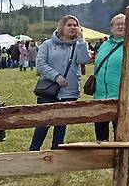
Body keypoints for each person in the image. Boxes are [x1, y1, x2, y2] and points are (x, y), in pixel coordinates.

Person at [30, 14, 93, 151]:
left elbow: (84, 60)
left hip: (69, 90)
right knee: (43, 122)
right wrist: (56, 76)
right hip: (49, 89)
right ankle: (34, 150)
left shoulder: (78, 45)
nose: (72, 27)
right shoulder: (47, 45)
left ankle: (57, 151)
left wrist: (82, 41)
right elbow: (40, 64)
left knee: (61, 123)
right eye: (69, 24)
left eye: (75, 25)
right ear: (61, 26)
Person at [90, 13, 129, 140]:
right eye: (118, 24)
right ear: (111, 28)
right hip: (100, 97)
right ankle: (103, 157)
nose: (121, 26)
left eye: (124, 24)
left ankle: (120, 157)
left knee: (121, 133)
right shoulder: (104, 45)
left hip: (121, 97)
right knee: (100, 134)